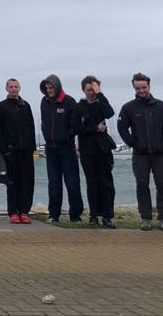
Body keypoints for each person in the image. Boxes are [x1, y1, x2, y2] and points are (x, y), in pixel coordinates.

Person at [118, 73, 163, 231]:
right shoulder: (128, 107)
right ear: (134, 88)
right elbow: (122, 128)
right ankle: (146, 218)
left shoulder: (162, 106)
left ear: (149, 86)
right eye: (138, 88)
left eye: (144, 87)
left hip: (159, 153)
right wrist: (133, 143)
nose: (141, 90)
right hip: (140, 154)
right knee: (142, 185)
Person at [39, 74, 84, 224]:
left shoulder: (69, 101)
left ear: (57, 86)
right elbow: (44, 123)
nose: (49, 90)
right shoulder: (44, 101)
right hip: (50, 149)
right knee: (54, 183)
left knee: (72, 183)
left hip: (66, 148)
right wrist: (46, 136)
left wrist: (67, 137)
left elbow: (76, 125)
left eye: (51, 87)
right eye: (47, 88)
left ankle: (76, 215)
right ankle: (54, 214)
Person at [73, 75, 117, 228]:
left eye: (94, 90)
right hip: (87, 150)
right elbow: (76, 128)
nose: (91, 92)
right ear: (84, 90)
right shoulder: (79, 107)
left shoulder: (100, 104)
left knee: (106, 183)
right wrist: (94, 128)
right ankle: (93, 216)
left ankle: (107, 216)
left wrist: (100, 94)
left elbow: (110, 113)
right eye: (89, 90)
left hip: (103, 150)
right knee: (92, 183)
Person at [0, 79, 35, 224]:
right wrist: (4, 149)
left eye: (16, 87)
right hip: (10, 151)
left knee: (27, 182)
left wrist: (32, 148)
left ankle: (24, 211)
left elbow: (31, 127)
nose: (13, 89)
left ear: (19, 88)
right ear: (6, 88)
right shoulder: (2, 106)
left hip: (26, 151)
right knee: (12, 182)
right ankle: (12, 212)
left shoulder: (25, 105)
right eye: (11, 87)